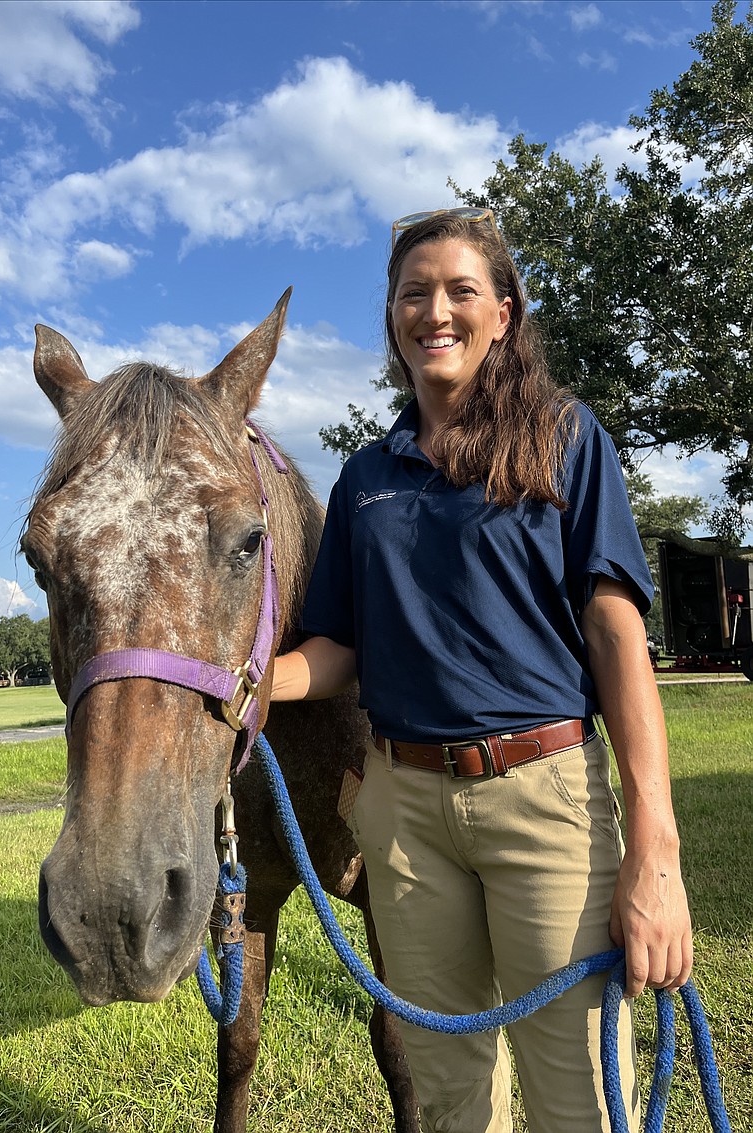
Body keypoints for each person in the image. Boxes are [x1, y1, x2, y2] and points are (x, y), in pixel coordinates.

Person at [271, 208, 692, 1133]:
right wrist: (253, 681)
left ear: (504, 312)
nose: (436, 311)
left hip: (545, 796)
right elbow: (339, 648)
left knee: (580, 1093)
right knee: (451, 1094)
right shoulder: (363, 478)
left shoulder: (566, 438)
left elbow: (619, 638)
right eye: (413, 293)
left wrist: (654, 849)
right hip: (405, 813)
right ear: (391, 318)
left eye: (461, 290)